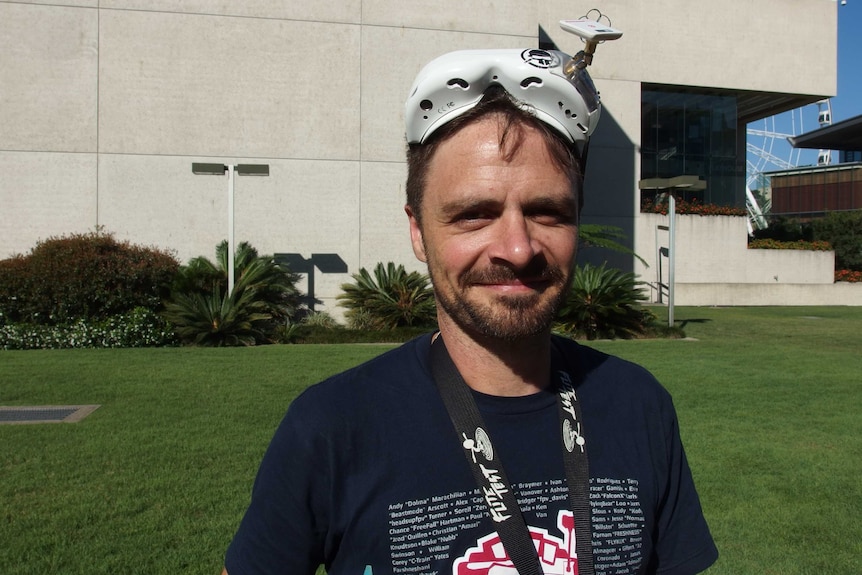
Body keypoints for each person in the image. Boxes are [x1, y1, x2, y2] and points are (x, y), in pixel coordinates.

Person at [223, 42, 718, 575]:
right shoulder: (331, 428)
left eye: (547, 212)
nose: (518, 247)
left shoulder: (640, 407)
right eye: (474, 215)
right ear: (418, 230)